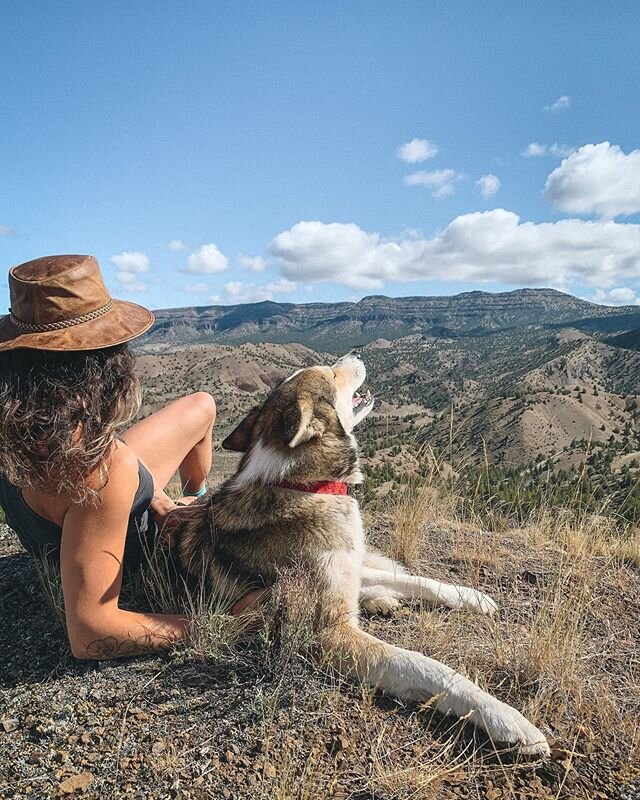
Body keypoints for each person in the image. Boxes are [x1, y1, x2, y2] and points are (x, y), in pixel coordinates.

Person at [0, 254, 259, 660]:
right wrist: (224, 623)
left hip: (97, 502)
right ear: (103, 364)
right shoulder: (101, 471)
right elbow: (89, 632)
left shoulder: (20, 427)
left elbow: (104, 451)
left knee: (203, 405)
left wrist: (153, 492)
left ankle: (195, 496)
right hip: (121, 531)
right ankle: (193, 513)